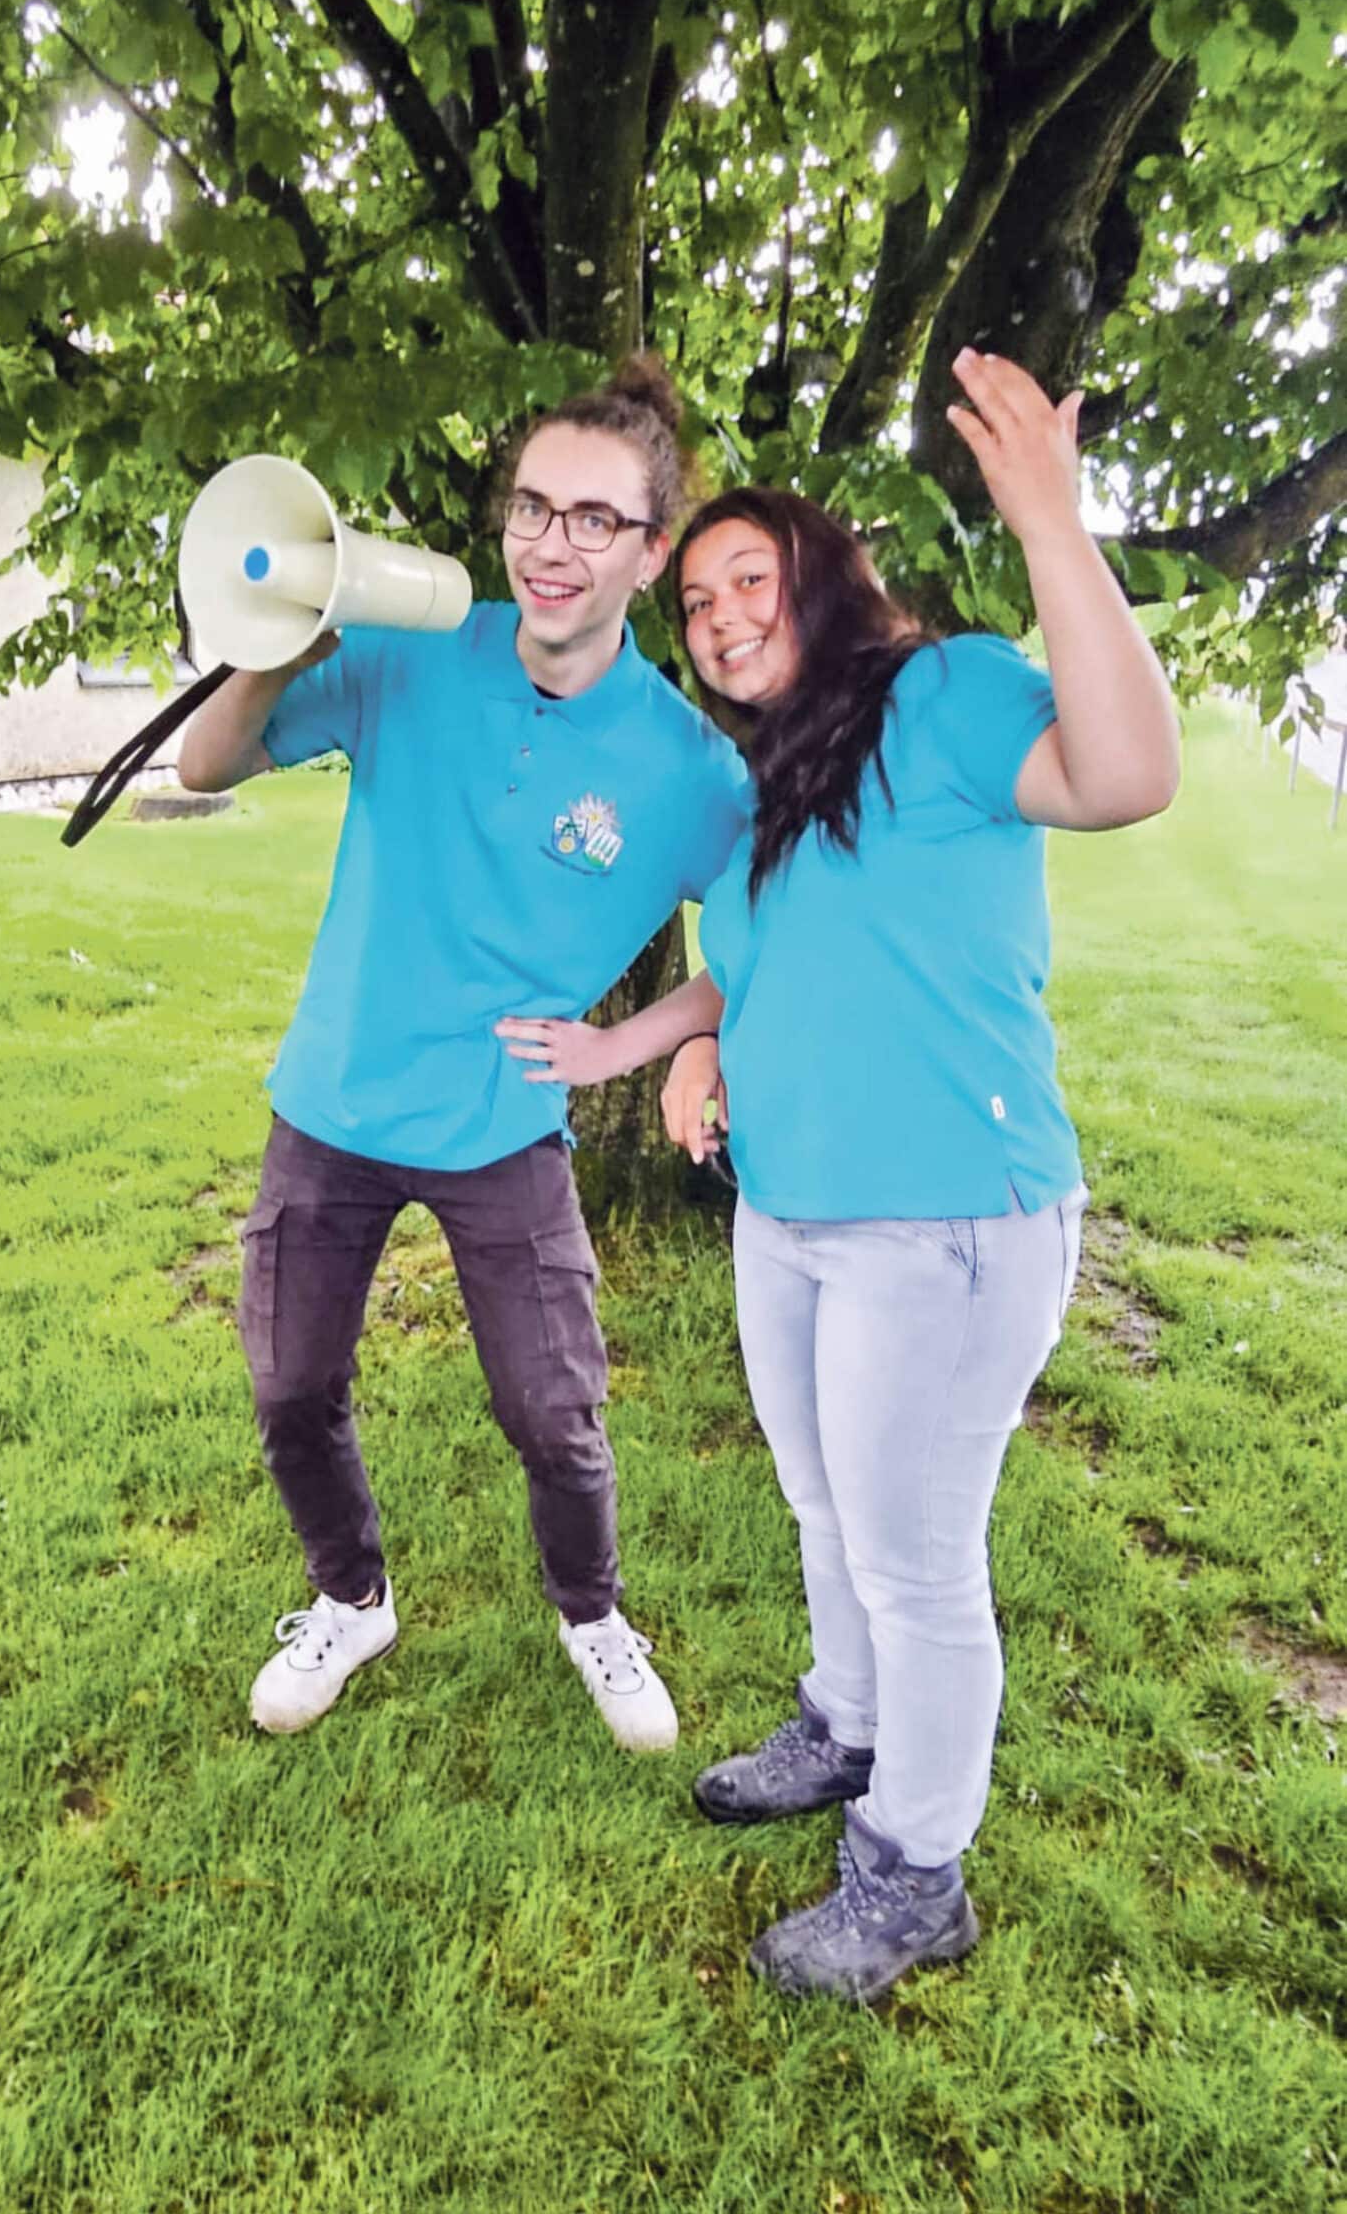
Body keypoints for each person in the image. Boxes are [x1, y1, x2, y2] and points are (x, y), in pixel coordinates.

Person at [496, 351, 1179, 1994]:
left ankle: (913, 1871)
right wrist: (665, 1044)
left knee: (917, 1554)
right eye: (701, 601)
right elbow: (753, 957)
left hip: (942, 1221)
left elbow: (1126, 773)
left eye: (751, 580)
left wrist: (1047, 521)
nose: (721, 615)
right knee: (823, 1506)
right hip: (790, 1209)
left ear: (821, 577)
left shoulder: (939, 700)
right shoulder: (762, 785)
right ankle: (848, 1725)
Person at [178, 358, 748, 1751]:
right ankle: (349, 1595)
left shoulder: (690, 771)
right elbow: (201, 767)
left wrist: (634, 1045)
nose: (553, 545)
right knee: (287, 1384)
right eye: (532, 508)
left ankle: (594, 1616)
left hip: (504, 1122)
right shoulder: (402, 647)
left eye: (594, 520)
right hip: (335, 1097)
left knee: (553, 1411)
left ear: (650, 551)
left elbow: (766, 947)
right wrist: (269, 650)